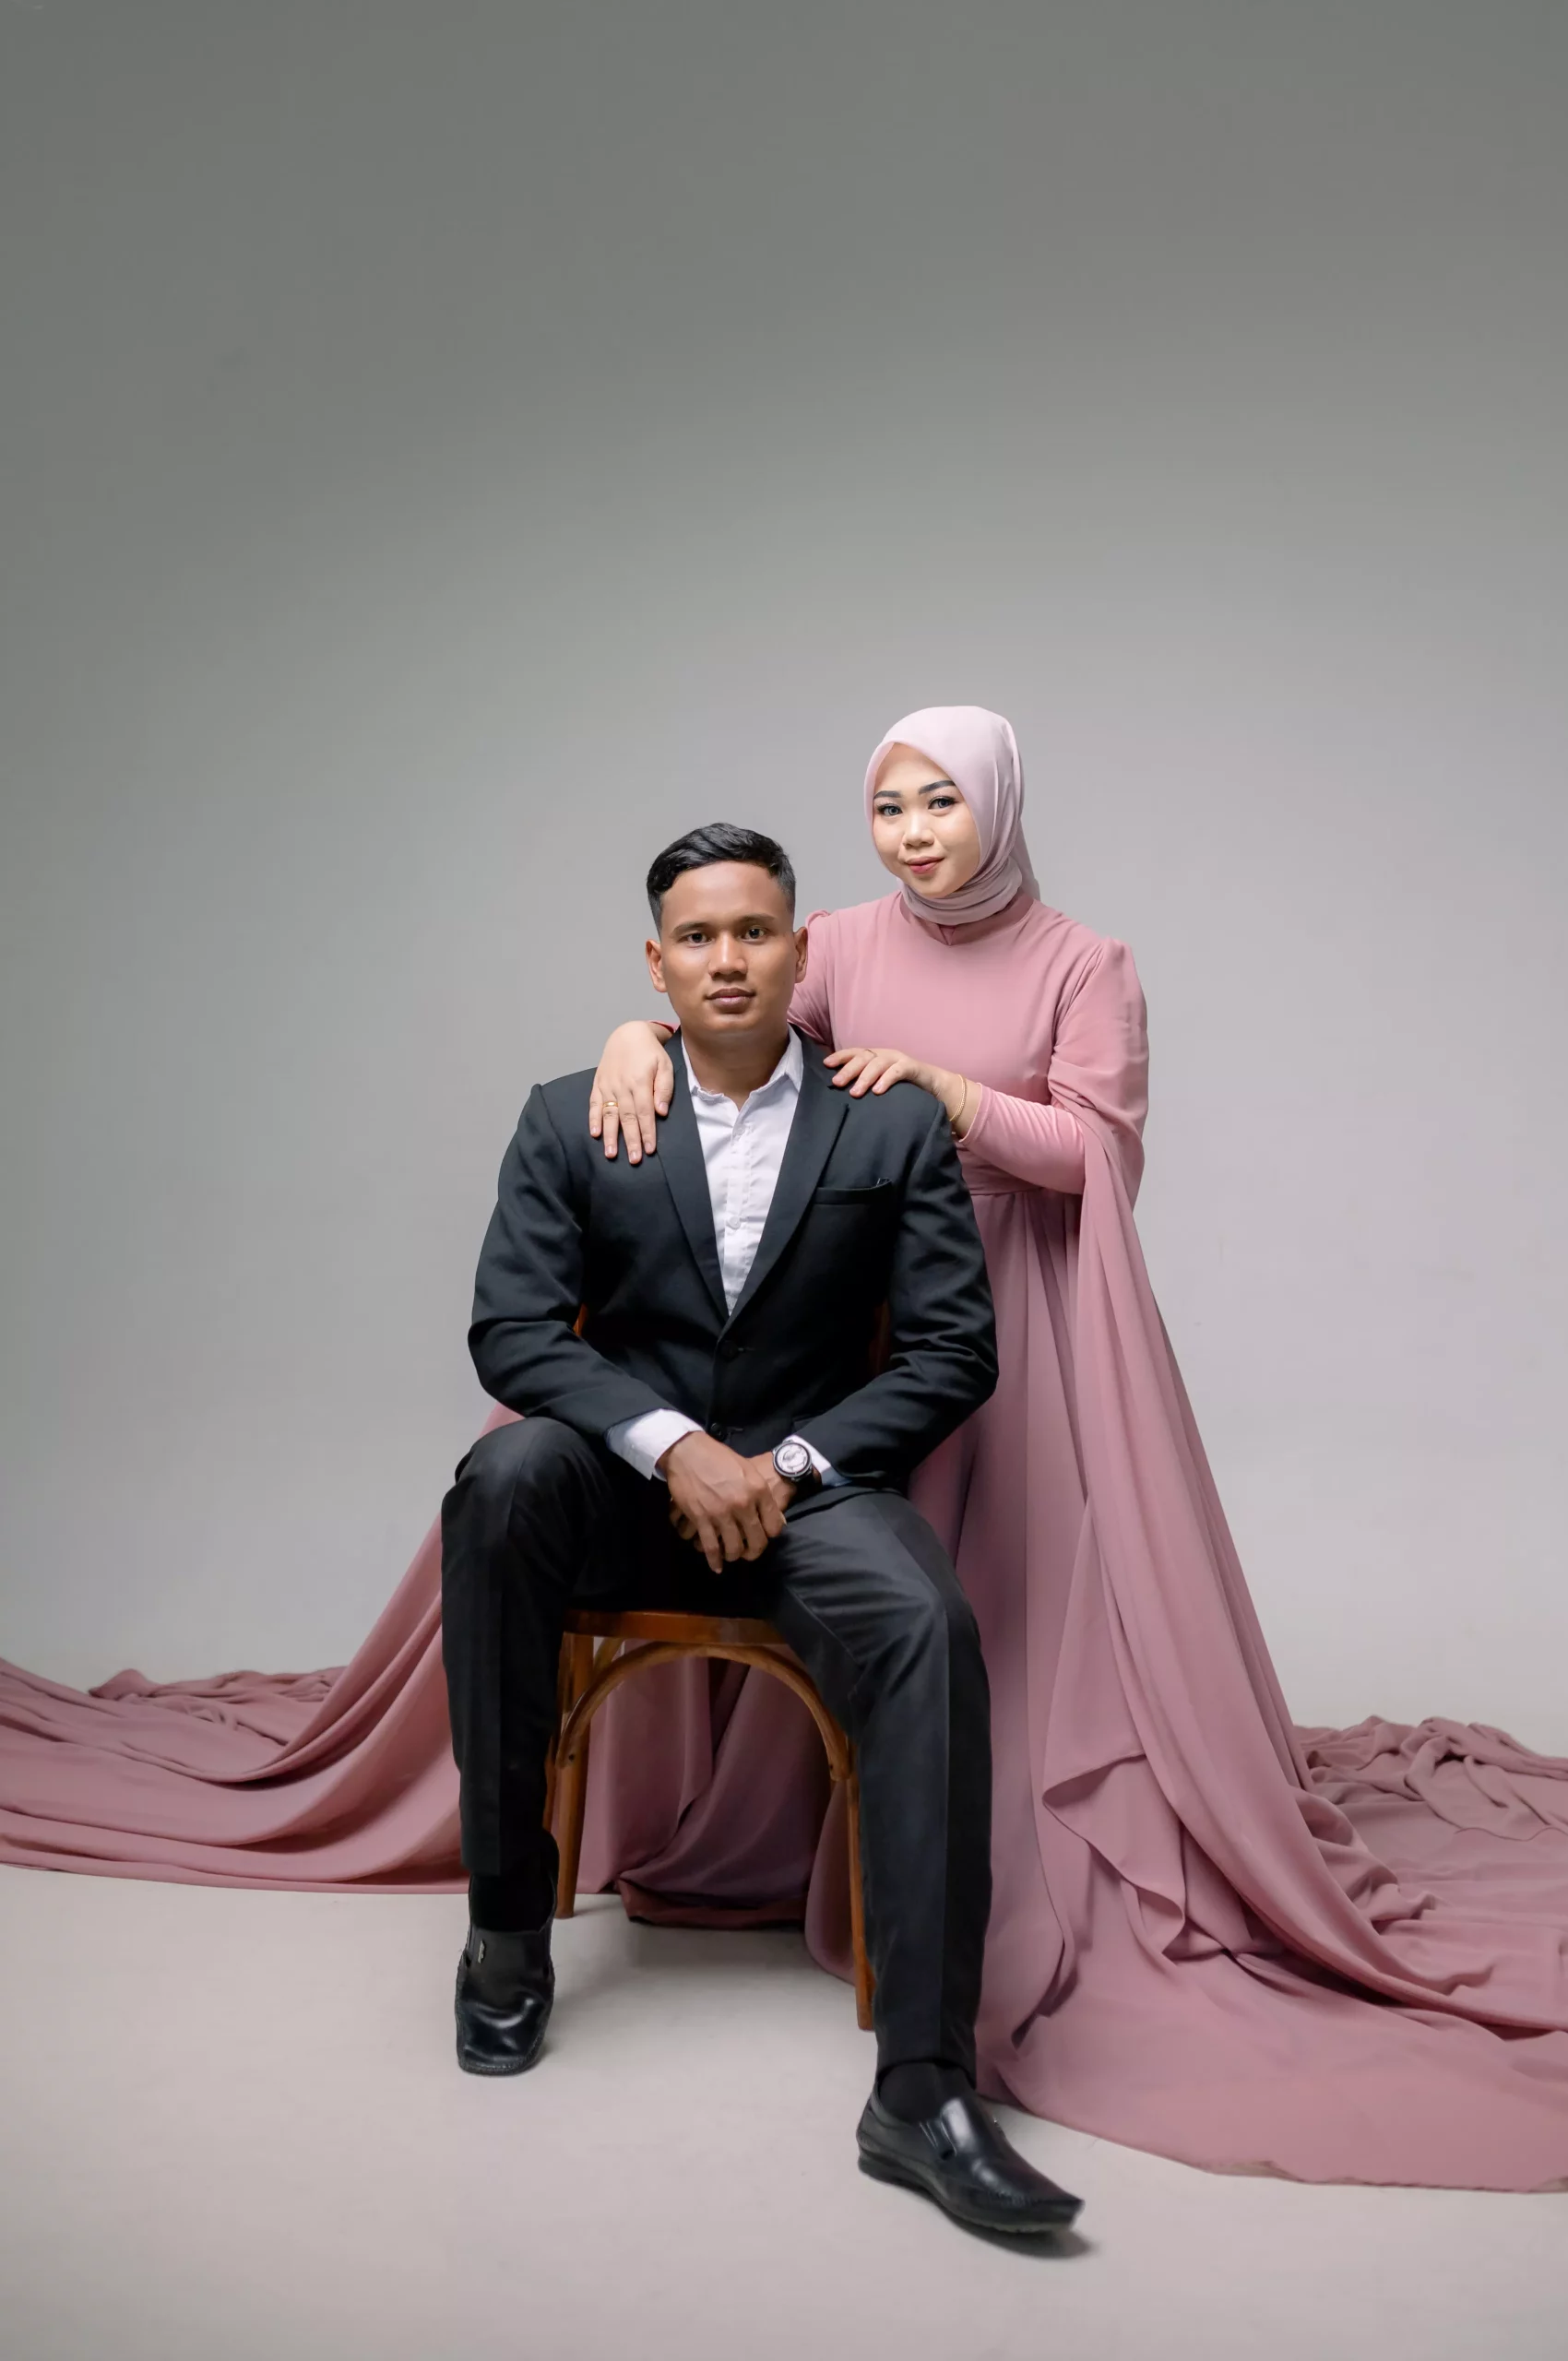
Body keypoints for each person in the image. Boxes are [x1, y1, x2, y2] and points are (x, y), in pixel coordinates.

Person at [586, 705, 1568, 2192]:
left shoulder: (1081, 962)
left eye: (940, 801)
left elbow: (1097, 1157)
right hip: (861, 1305)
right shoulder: (832, 941)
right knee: (845, 1561)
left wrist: (946, 1094)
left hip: (1022, 1303)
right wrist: (631, 1034)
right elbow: (733, 1029)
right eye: (889, 807)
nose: (914, 833)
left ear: (997, 804)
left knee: (1010, 1598)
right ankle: (810, 1832)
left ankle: (983, 1874)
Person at [441, 818, 1080, 2236]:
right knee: (499, 1486)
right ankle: (504, 1934)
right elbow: (512, 1331)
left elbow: (951, 1356)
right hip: (621, 1490)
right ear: (656, 962)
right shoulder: (570, 1112)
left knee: (924, 1623)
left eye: (753, 932)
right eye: (698, 936)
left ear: (800, 950)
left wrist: (778, 1467)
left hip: (811, 1496)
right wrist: (674, 1448)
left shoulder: (887, 1121)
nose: (726, 958)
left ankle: (922, 2087)